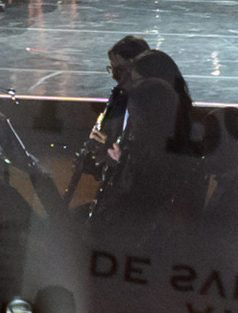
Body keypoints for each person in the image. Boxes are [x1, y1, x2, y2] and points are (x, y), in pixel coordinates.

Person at [83, 37, 199, 216]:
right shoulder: (144, 114)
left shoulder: (162, 127)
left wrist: (120, 161)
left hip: (145, 217)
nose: (120, 79)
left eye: (123, 71)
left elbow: (153, 187)